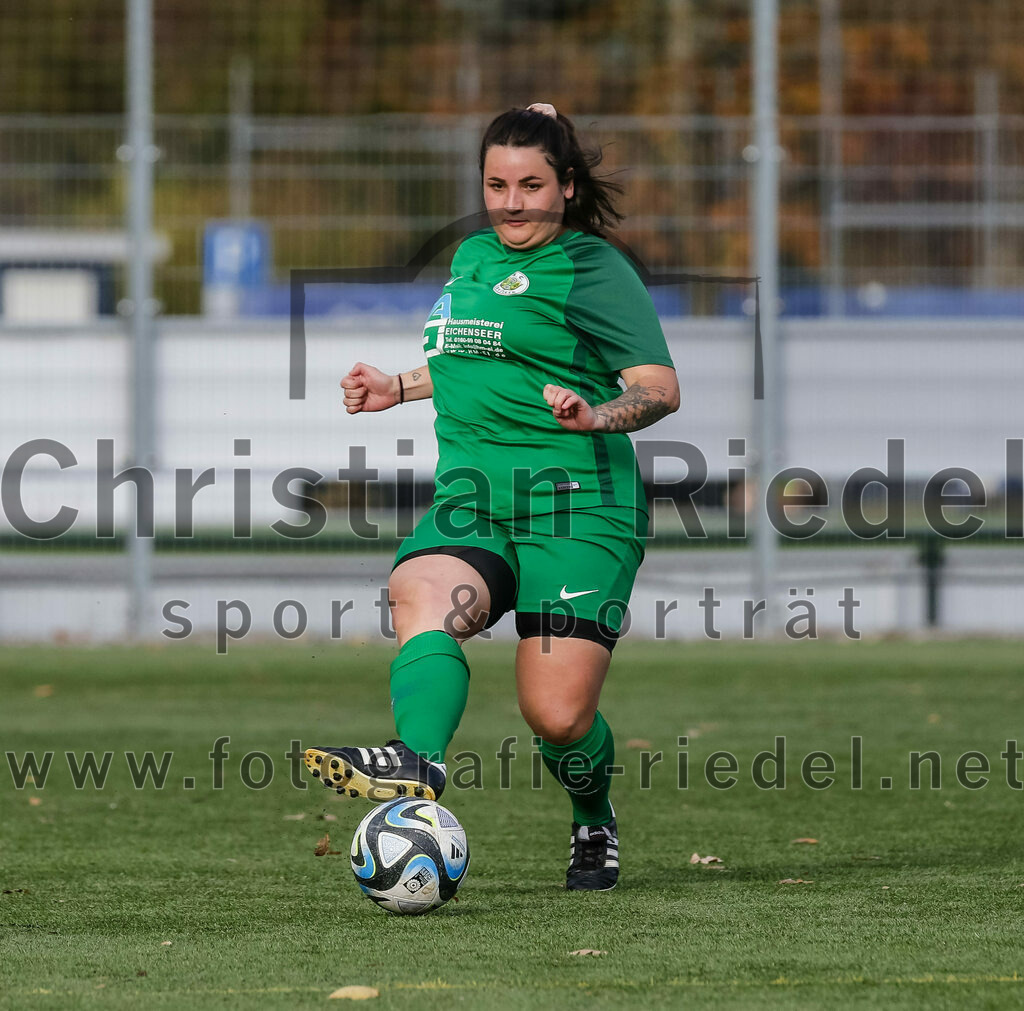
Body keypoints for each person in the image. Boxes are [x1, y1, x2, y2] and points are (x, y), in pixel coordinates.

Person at [305, 103, 679, 891]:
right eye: (497, 184)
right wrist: (396, 386)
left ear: (568, 187)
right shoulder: (474, 255)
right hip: (473, 497)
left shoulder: (595, 269)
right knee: (420, 591)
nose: (512, 202)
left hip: (579, 506)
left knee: (557, 717)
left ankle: (593, 817)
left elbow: (658, 389)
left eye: (532, 185)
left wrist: (594, 414)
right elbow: (475, 356)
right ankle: (418, 759)